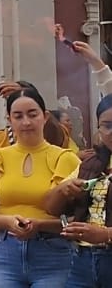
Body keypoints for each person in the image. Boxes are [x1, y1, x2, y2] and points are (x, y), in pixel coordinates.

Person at [0, 87, 79, 287]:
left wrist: (40, 225)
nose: (26, 122)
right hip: (5, 253)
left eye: (32, 114)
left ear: (45, 116)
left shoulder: (66, 159)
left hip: (53, 252)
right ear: (9, 120)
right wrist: (8, 221)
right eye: (18, 116)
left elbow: (77, 217)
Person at [44, 94, 112, 287]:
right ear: (98, 128)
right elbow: (51, 208)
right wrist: (63, 190)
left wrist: (106, 235)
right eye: (107, 126)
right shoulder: (90, 163)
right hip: (81, 260)